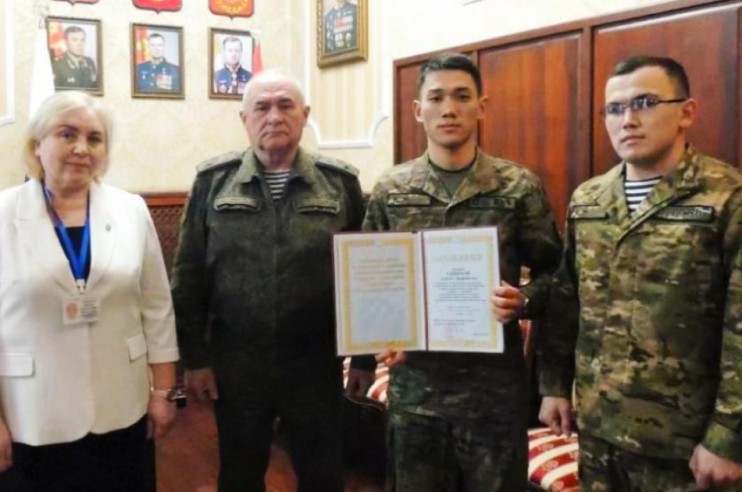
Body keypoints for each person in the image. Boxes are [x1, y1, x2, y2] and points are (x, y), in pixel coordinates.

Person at [539, 55, 742, 491]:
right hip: (598, 428)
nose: (627, 120)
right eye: (614, 109)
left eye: (645, 103)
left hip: (685, 444)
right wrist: (554, 386)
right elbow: (565, 301)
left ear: (686, 112)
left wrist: (729, 435)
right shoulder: (589, 199)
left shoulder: (727, 198)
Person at [366, 53, 562, 491]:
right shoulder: (392, 190)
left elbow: (559, 278)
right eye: (436, 98)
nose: (449, 109)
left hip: (494, 396)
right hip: (417, 393)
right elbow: (373, 280)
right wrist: (380, 333)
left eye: (461, 96)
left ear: (481, 106)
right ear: (418, 110)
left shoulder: (517, 187)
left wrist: (525, 300)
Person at [171, 69, 373, 491]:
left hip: (317, 363)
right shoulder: (213, 182)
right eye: (262, 107)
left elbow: (366, 276)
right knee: (239, 476)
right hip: (237, 365)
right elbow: (188, 276)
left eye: (285, 105)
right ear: (244, 118)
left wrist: (364, 358)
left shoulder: (340, 183)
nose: (274, 116)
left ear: (305, 115)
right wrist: (194, 359)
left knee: (323, 476)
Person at [0, 91, 180, 490]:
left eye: (94, 138)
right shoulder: (3, 214)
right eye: (67, 134)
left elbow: (157, 307)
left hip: (122, 406)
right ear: (37, 145)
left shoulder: (131, 210)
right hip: (33, 413)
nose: (81, 148)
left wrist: (165, 392)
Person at [52, 25, 98, 90]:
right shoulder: (57, 65)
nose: (80, 44)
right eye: (74, 40)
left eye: (82, 40)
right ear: (65, 42)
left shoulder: (90, 62)